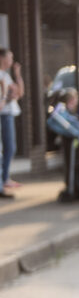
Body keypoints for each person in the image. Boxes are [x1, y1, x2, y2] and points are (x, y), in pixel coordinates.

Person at [0, 49, 23, 195]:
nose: (11, 61)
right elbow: (9, 94)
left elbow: (19, 93)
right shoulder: (2, 76)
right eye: (10, 57)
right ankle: (4, 179)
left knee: (9, 147)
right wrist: (5, 97)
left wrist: (17, 74)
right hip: (4, 115)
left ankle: (4, 178)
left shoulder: (6, 75)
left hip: (8, 114)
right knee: (7, 147)